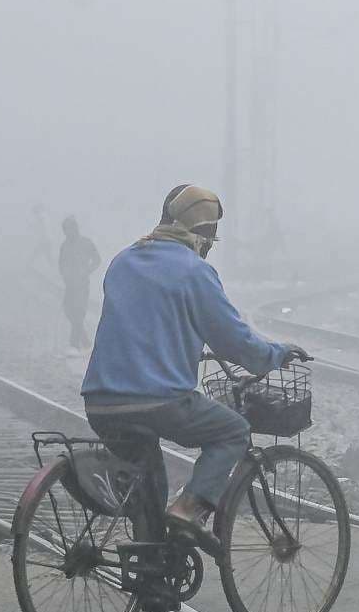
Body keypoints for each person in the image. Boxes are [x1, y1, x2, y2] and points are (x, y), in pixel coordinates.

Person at [81, 184, 306, 546]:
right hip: (159, 402)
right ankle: (189, 509)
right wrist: (275, 355)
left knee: (149, 483)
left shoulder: (123, 260)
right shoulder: (194, 272)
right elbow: (234, 341)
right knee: (233, 430)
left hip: (100, 402)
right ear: (204, 234)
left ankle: (150, 568)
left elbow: (142, 319)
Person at [58, 215, 100, 352]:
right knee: (68, 310)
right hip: (70, 285)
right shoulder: (64, 246)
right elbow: (61, 263)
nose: (68, 232)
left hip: (82, 284)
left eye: (69, 229)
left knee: (79, 312)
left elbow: (97, 260)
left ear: (75, 228)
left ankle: (74, 345)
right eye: (65, 230)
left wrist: (87, 271)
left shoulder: (86, 243)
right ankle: (86, 341)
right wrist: (65, 274)